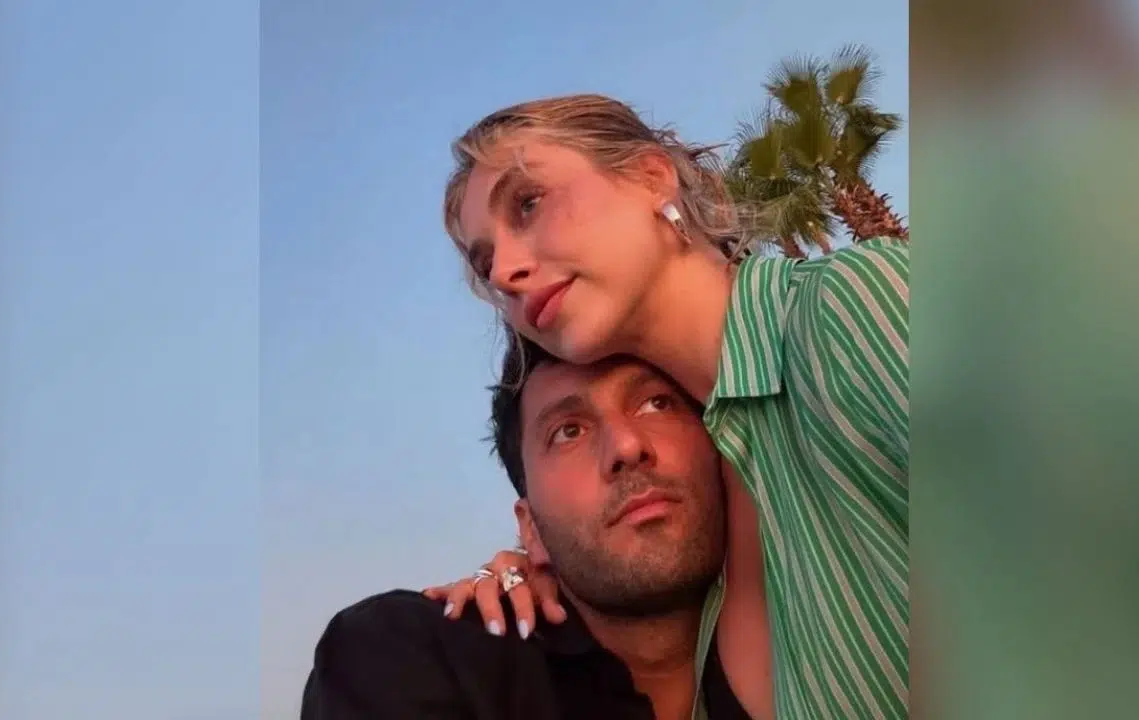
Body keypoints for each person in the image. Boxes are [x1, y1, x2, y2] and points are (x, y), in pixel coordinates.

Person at [426, 94, 910, 719]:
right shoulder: (725, 483)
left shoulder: (848, 309)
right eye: (485, 259)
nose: (505, 272)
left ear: (652, 177)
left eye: (528, 203)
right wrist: (549, 576)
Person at [301, 346, 750, 719]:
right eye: (568, 432)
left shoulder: (791, 640)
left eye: (656, 403)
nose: (626, 447)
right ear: (530, 529)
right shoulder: (409, 656)